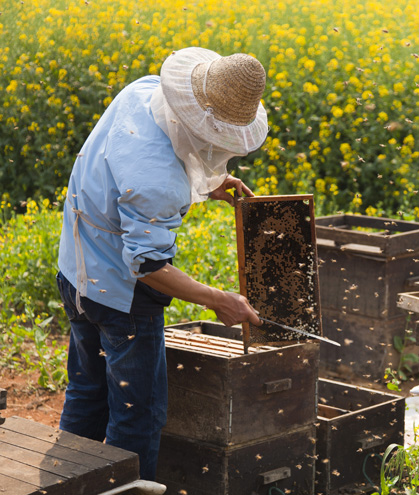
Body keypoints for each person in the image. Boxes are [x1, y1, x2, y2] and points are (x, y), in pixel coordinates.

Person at [56, 47, 267, 480]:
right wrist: (217, 299)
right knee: (138, 415)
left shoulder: (143, 92)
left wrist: (206, 183)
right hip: (120, 298)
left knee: (88, 391)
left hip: (74, 271)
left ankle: (65, 484)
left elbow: (133, 165)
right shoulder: (158, 183)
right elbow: (149, 265)